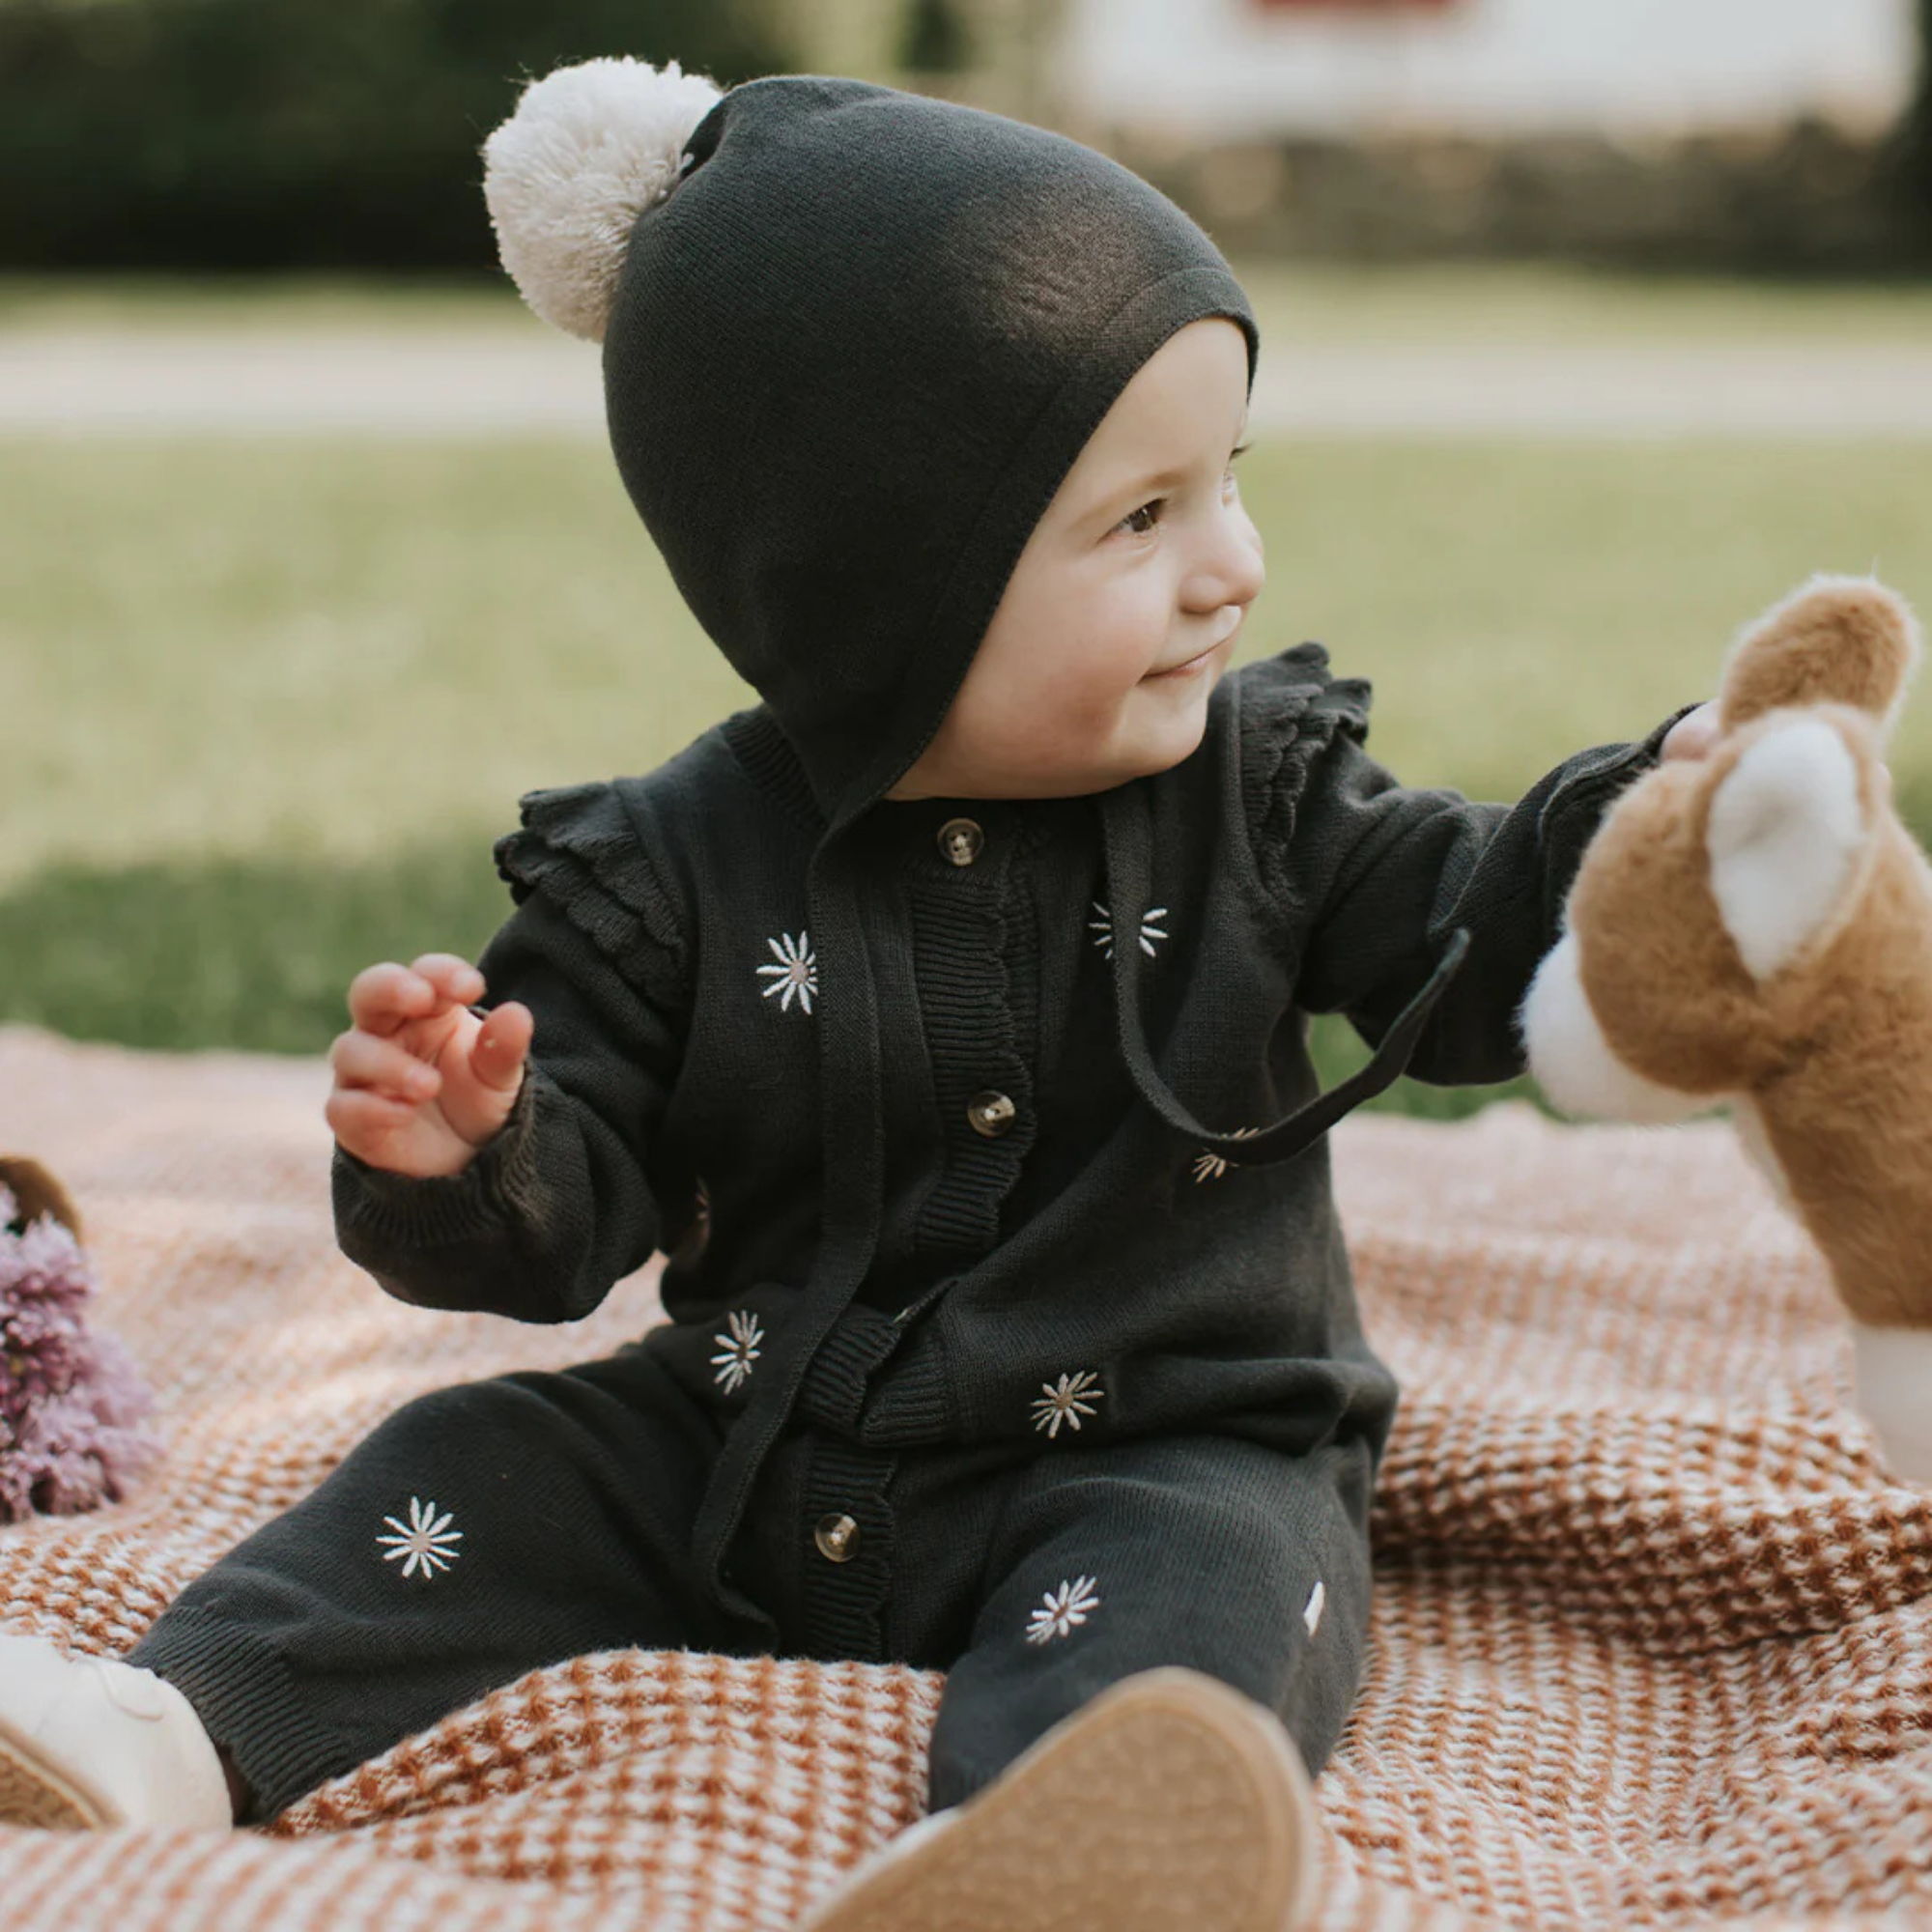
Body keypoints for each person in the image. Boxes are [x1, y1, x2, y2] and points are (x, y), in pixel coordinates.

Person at [0, 57, 1710, 1930]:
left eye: (1228, 482)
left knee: (1219, 1574)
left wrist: (1664, 829)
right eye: (1139, 519)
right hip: (754, 1444)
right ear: (879, 590)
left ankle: (1065, 1842)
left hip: (1161, 1437)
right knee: (469, 1459)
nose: (1233, 566)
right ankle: (183, 1721)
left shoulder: (1264, 796)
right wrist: (470, 1148)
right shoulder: (665, 871)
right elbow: (564, 1237)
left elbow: (1471, 931)